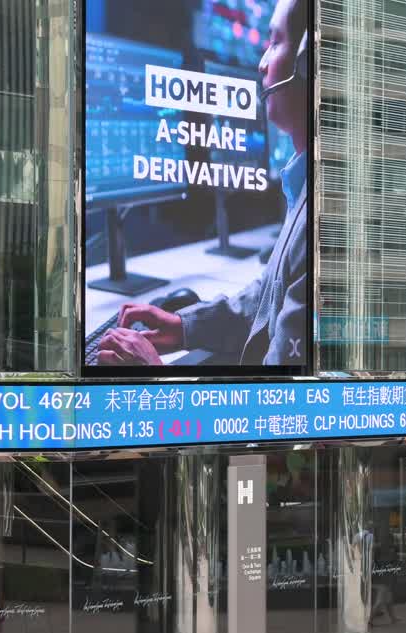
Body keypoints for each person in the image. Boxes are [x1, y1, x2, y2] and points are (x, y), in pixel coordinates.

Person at [97, 0, 310, 367]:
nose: (261, 63)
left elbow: (283, 407)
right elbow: (267, 298)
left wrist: (152, 373)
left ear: (308, 64)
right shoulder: (304, 185)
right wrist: (183, 327)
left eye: (275, 43)